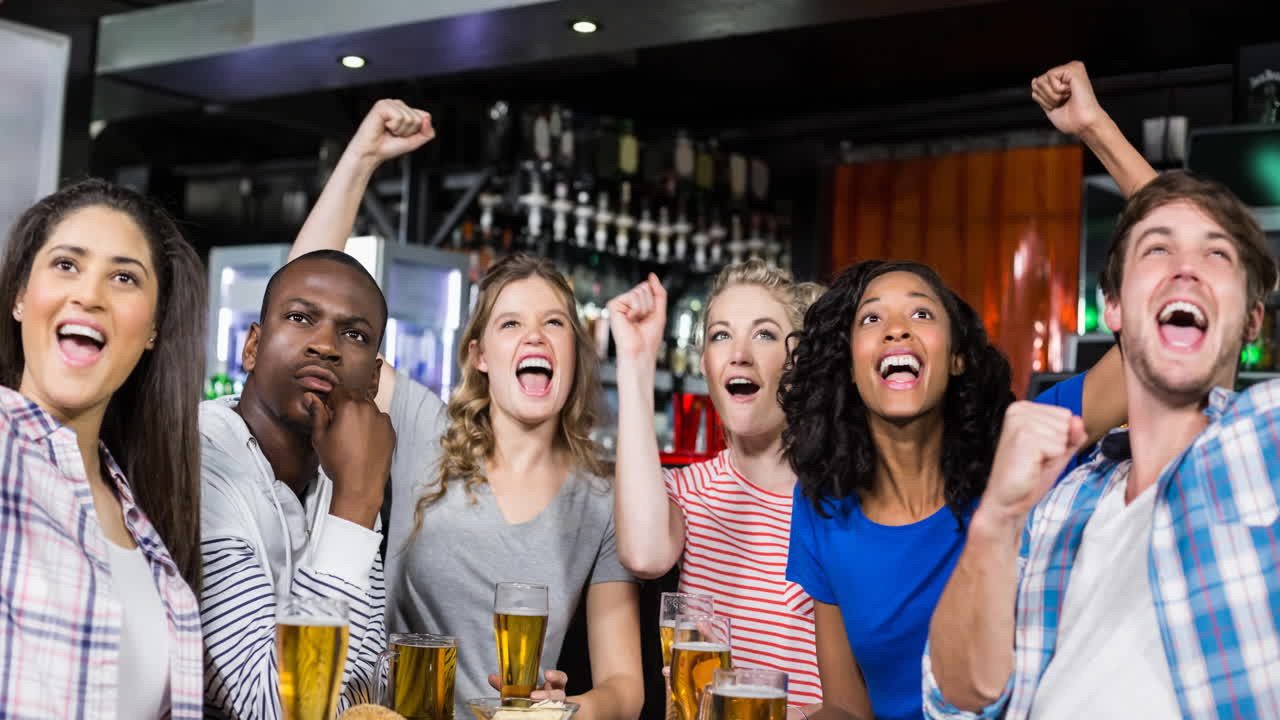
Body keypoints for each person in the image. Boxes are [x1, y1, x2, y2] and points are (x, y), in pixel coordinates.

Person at [776, 60, 1160, 720]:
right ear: (850, 364)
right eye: (872, 319)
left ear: (955, 358)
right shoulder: (823, 508)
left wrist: (1095, 131)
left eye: (921, 314)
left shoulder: (1030, 442)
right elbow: (845, 708)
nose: (896, 328)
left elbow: (1172, 311)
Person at [287, 99, 645, 720]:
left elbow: (623, 687)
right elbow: (304, 296)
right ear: (479, 354)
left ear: (575, 351)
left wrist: (567, 711)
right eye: (512, 323)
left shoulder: (603, 496)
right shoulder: (424, 428)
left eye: (553, 323)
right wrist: (363, 156)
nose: (534, 337)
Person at [925, 168, 1280, 719]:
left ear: (1252, 319)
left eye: (1217, 255)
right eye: (1157, 250)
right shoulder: (1060, 506)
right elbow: (958, 698)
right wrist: (997, 519)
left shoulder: (1266, 442)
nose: (1186, 269)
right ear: (1112, 306)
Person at [0, 178, 207, 718]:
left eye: (123, 277)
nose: (89, 295)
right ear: (21, 296)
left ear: (155, 328)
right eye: (66, 264)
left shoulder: (143, 516)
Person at [608, 262, 828, 713]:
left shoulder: (837, 505)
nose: (739, 353)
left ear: (799, 362)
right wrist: (636, 360)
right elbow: (644, 556)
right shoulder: (688, 492)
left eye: (764, 334)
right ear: (706, 365)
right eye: (721, 335)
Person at [199, 250, 398, 719]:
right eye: (300, 317)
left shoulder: (345, 470)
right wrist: (356, 504)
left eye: (353, 334)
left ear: (372, 381)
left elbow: (367, 686)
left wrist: (352, 496)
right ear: (251, 347)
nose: (326, 345)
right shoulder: (198, 460)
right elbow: (280, 707)